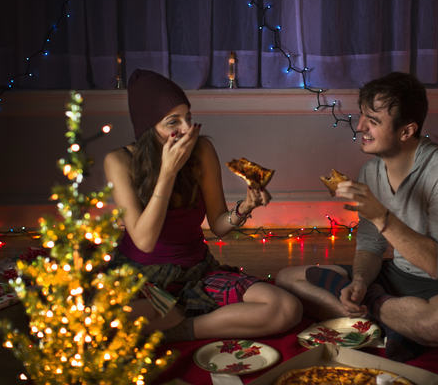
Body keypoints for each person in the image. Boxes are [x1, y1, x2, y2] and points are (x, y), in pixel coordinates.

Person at [275, 71, 438, 361]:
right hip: (398, 275)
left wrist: (381, 216)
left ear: (406, 131)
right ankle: (391, 316)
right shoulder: (371, 172)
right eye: (362, 116)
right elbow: (370, 245)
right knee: (287, 279)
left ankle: (375, 310)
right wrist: (361, 282)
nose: (361, 126)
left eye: (373, 121)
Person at [103, 69, 302, 342]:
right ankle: (180, 314)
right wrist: (167, 173)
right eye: (173, 122)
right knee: (104, 324)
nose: (186, 129)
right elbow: (144, 241)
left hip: (197, 272)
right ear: (150, 128)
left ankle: (180, 328)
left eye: (189, 118)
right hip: (141, 278)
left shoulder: (202, 151)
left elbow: (219, 225)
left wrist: (244, 207)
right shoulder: (118, 161)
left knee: (287, 308)